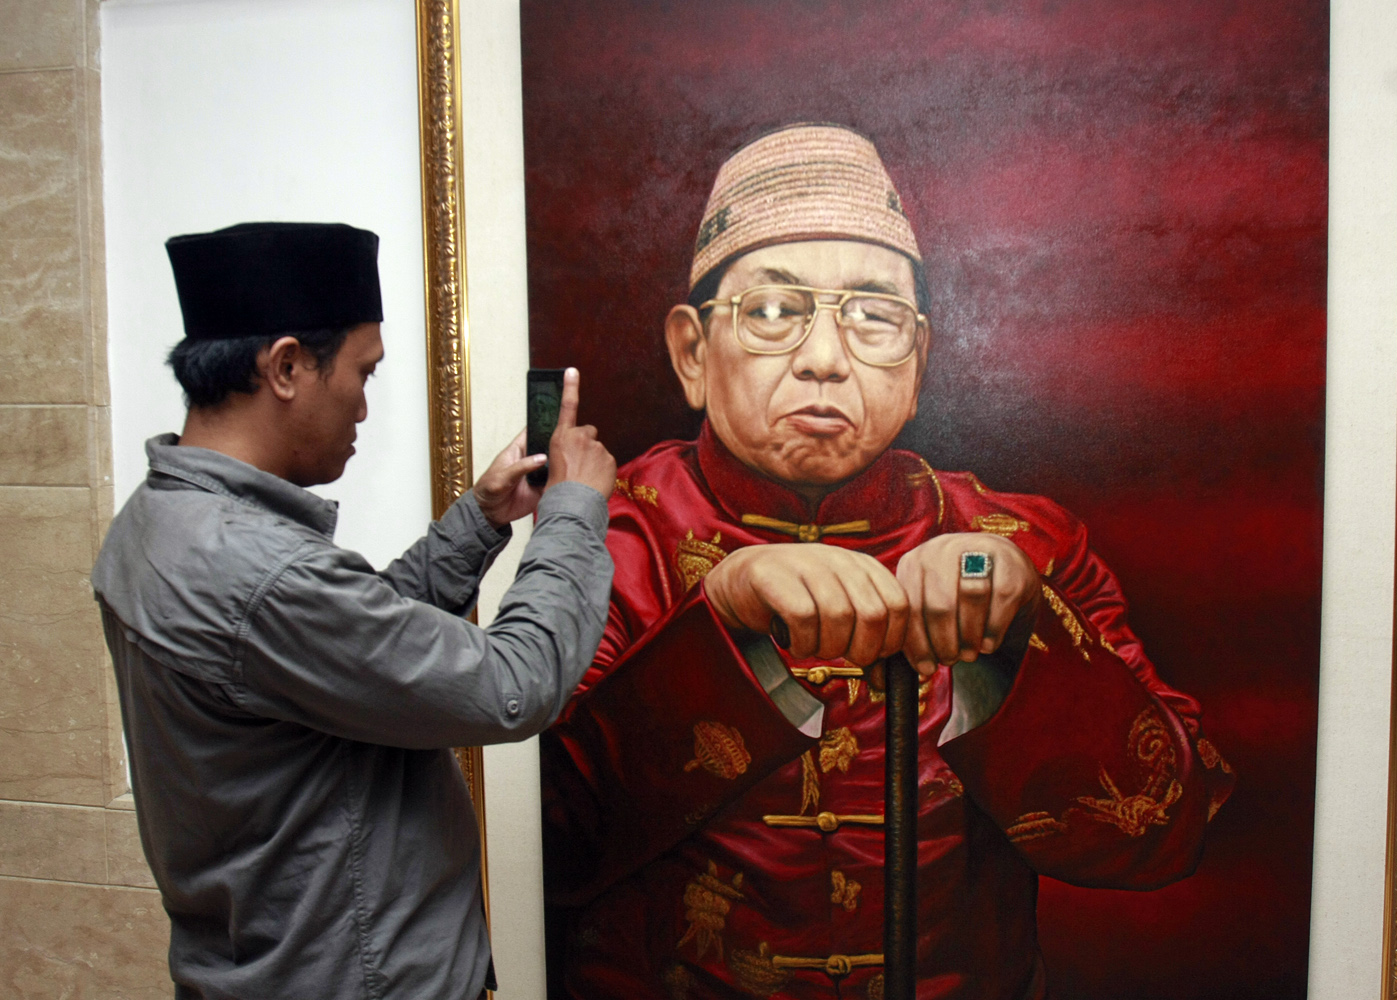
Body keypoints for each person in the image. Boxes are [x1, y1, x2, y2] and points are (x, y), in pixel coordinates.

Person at [539, 125, 1237, 1000]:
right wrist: (722, 620)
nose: (825, 361)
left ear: (919, 363)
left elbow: (1167, 835)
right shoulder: (609, 538)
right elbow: (539, 846)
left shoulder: (1026, 543)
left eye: (874, 317)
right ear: (692, 353)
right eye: (772, 312)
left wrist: (1022, 641)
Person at [92, 222, 617, 1000]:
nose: (365, 408)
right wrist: (573, 509)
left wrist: (480, 519)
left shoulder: (156, 520)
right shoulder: (260, 573)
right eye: (363, 373)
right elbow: (515, 684)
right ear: (286, 367)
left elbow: (357, 649)